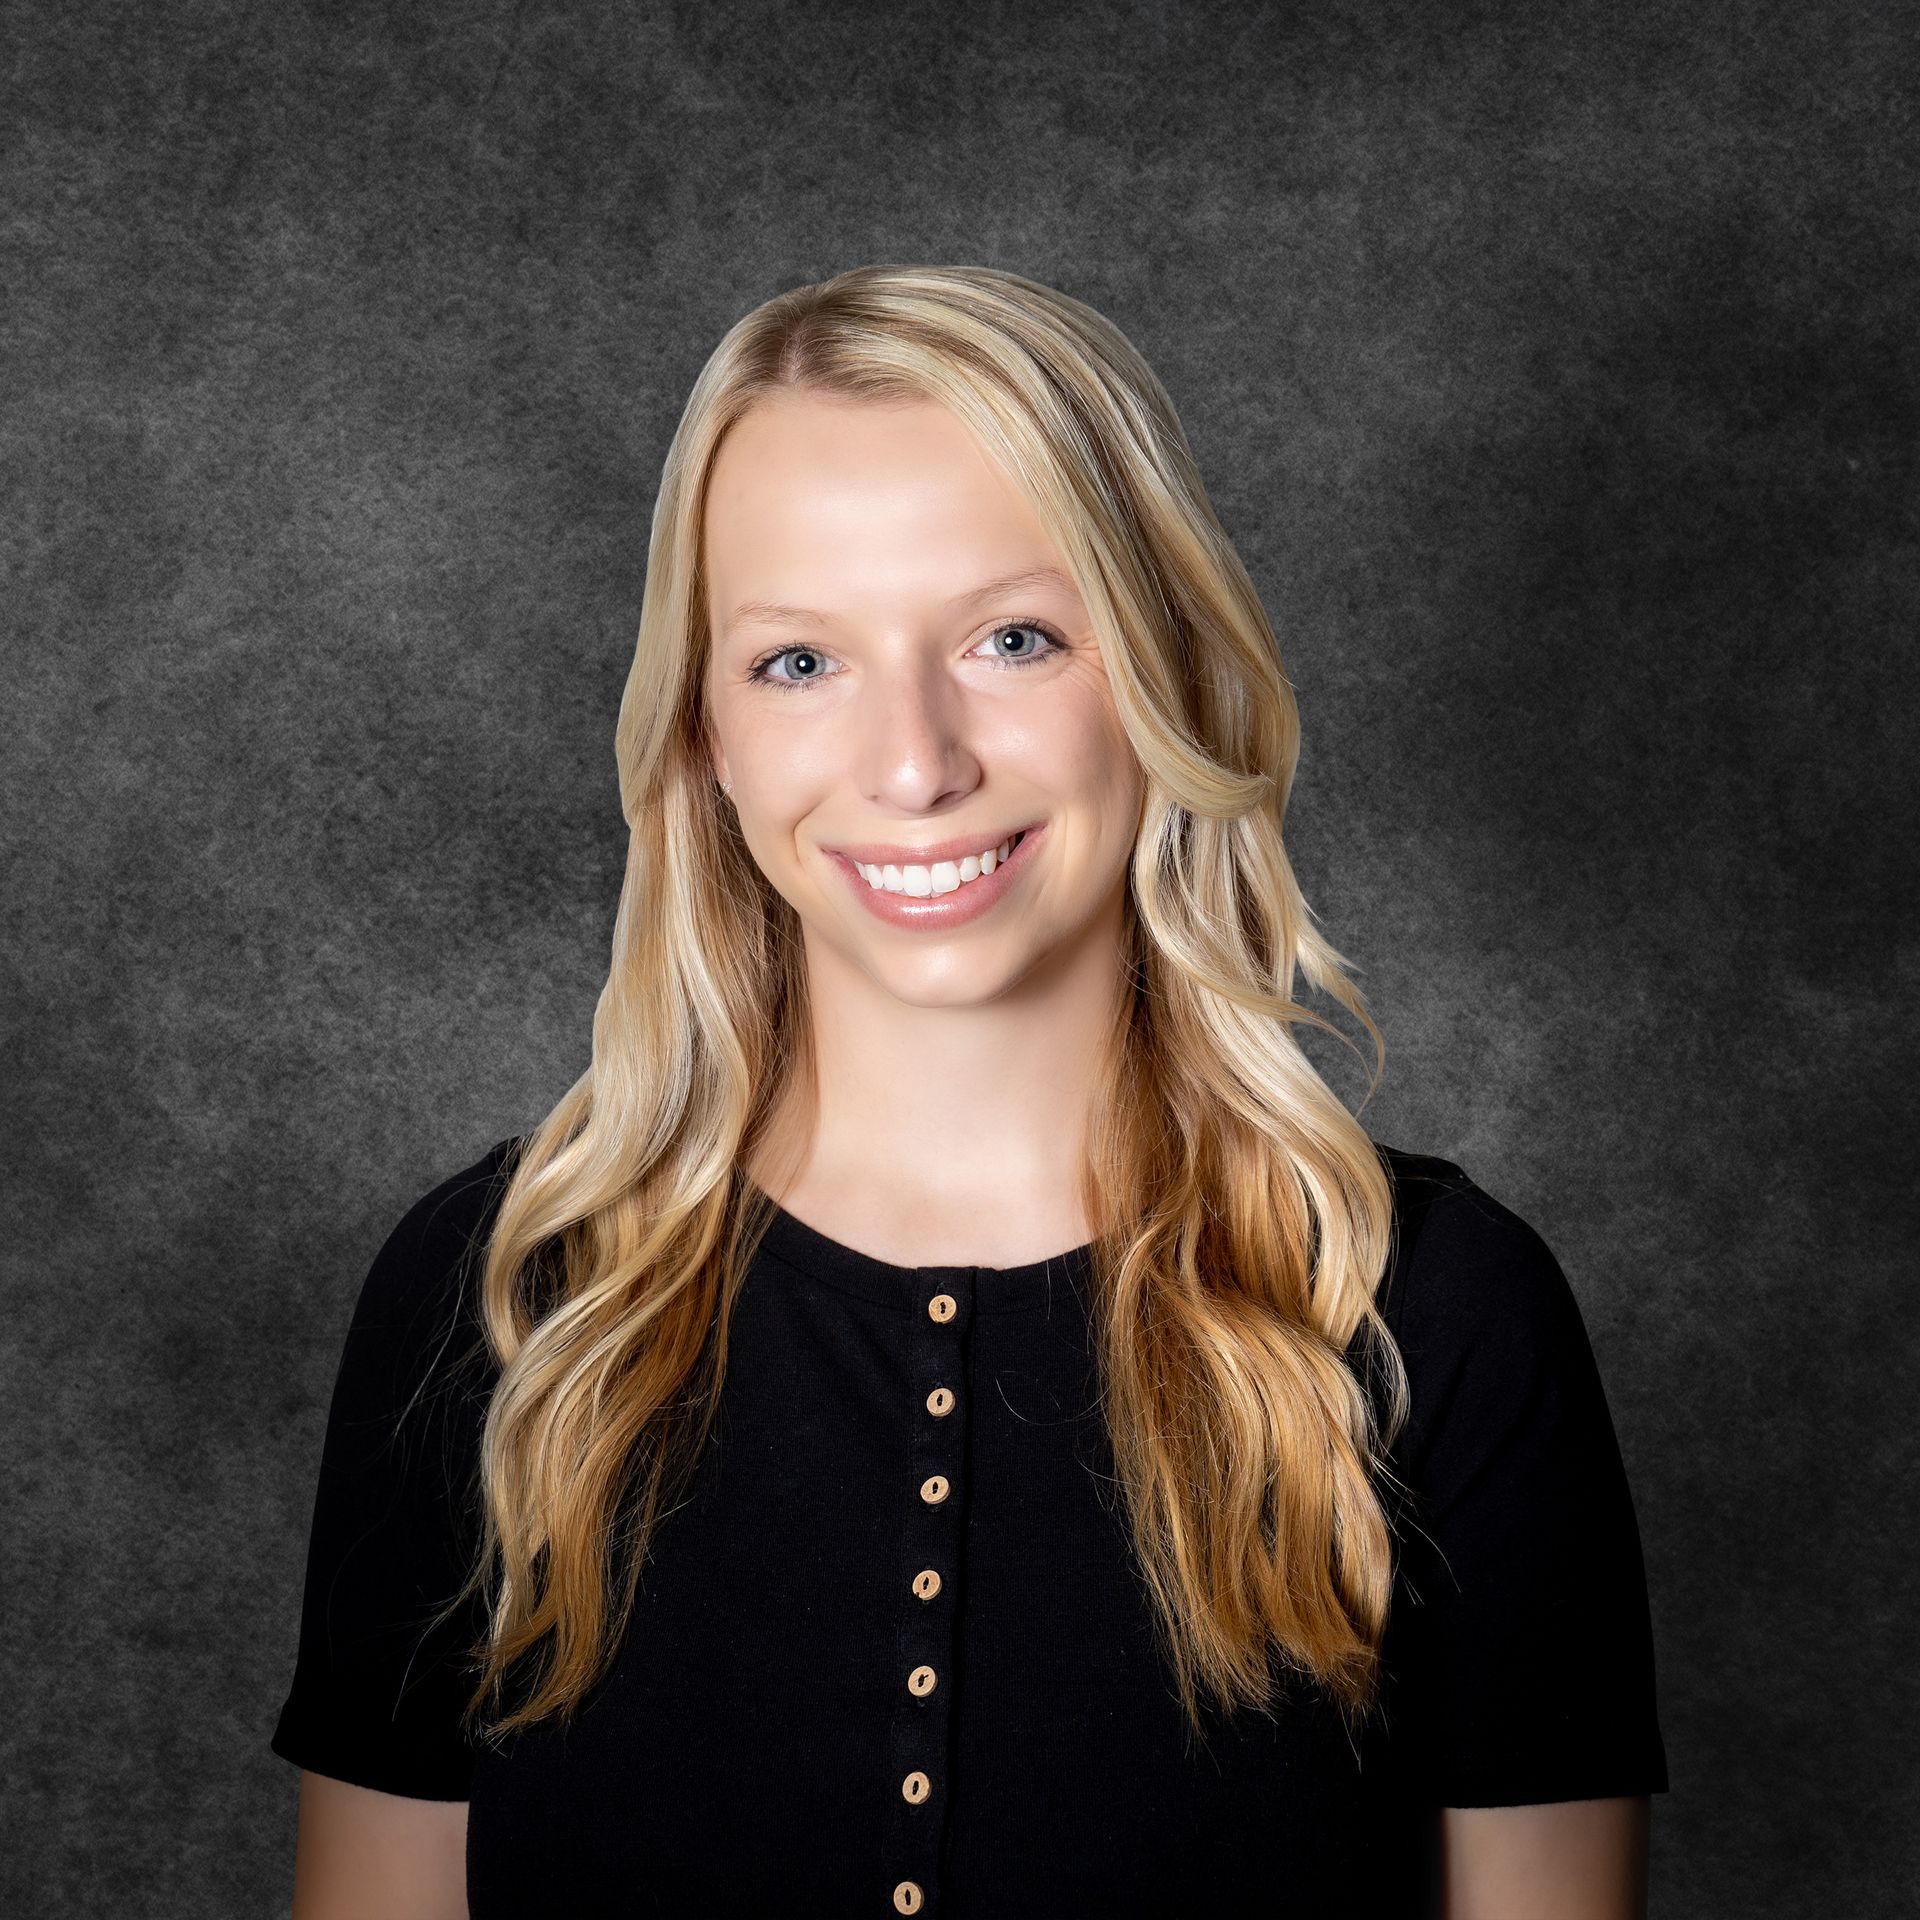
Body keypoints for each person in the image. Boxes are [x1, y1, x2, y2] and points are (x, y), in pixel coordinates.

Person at [271, 265, 1669, 1918]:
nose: (916, 763)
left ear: (1163, 672)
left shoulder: (1436, 1314)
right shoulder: (495, 1301)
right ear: (705, 734)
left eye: (1013, 638)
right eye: (801, 662)